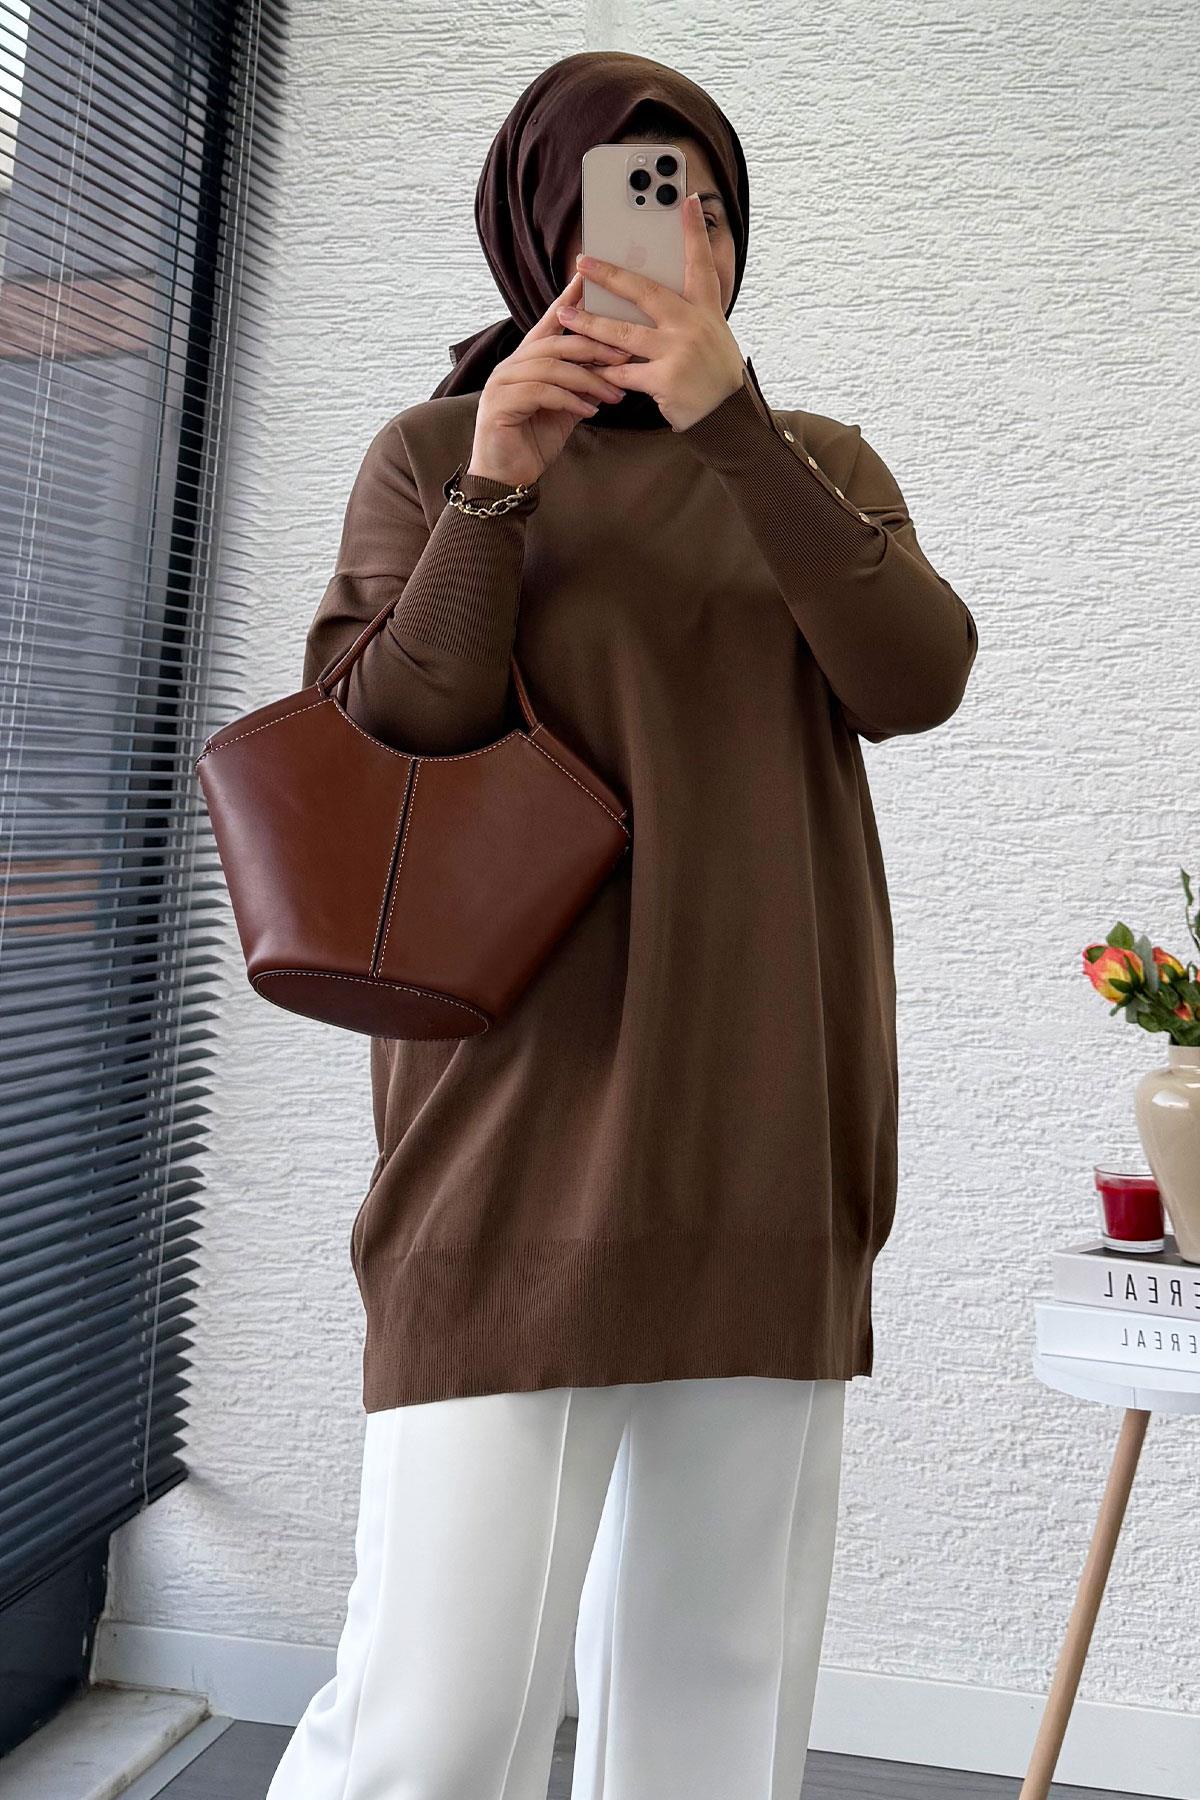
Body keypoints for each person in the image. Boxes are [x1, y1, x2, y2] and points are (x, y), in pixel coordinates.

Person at [266, 48, 978, 1800]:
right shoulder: (432, 451)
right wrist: (500, 477)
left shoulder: (813, 464)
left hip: (764, 1120)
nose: (688, 243)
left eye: (713, 208)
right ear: (544, 228)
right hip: (507, 1136)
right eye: (643, 203)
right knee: (431, 1722)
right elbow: (388, 738)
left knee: (714, 1714)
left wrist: (736, 431)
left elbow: (917, 680)